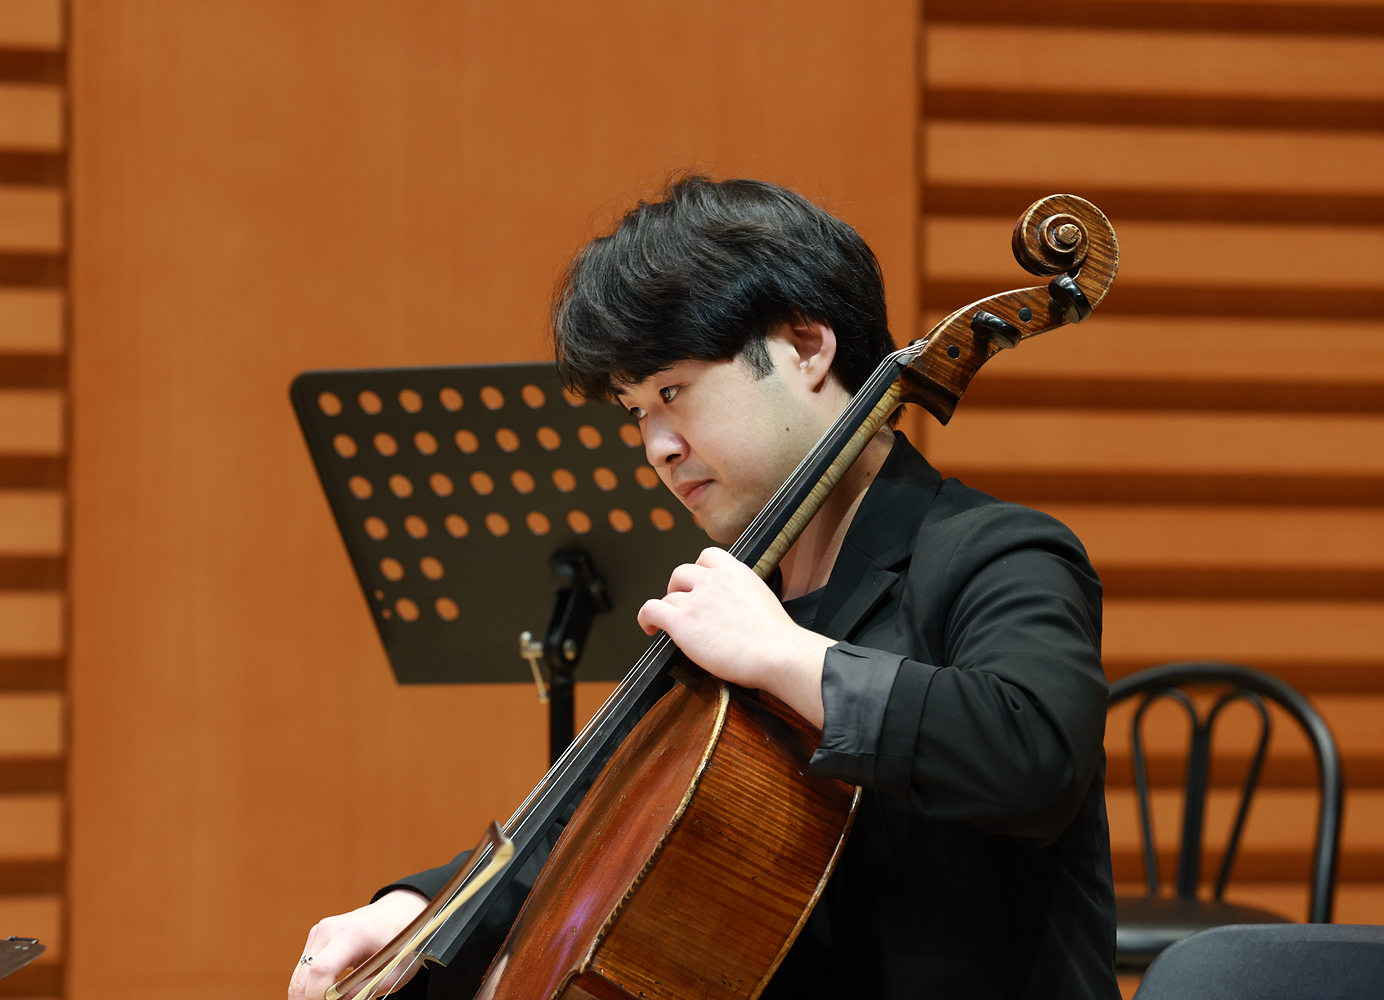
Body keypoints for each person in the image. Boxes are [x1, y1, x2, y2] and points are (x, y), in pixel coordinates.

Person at [290, 176, 1119, 1000]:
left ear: (806, 348)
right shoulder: (736, 604)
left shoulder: (997, 553)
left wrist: (785, 656)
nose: (657, 446)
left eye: (672, 392)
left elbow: (1032, 753)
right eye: (635, 411)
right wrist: (416, 913)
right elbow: (582, 834)